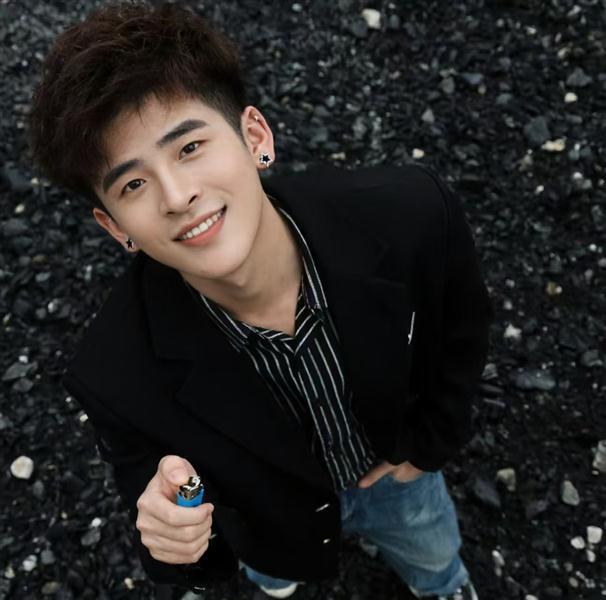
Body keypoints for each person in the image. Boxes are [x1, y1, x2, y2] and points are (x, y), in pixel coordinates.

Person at [27, 2, 493, 599]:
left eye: (189, 147)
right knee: (274, 569)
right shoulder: (113, 375)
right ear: (116, 227)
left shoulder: (410, 215)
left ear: (255, 137)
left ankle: (444, 585)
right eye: (134, 183)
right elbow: (162, 509)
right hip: (272, 527)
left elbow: (461, 332)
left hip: (397, 479)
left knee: (432, 551)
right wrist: (176, 540)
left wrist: (427, 448)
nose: (177, 195)